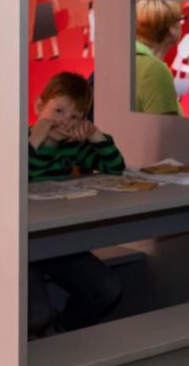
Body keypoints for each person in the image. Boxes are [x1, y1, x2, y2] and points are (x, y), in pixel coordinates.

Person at [27, 71, 126, 337]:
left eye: (74, 117)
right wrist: (36, 140)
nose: (64, 121)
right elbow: (15, 174)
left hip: (59, 242)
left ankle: (59, 332)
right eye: (58, 111)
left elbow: (115, 167)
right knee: (37, 315)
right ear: (38, 106)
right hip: (23, 248)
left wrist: (95, 135)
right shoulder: (21, 142)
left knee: (108, 288)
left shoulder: (74, 147)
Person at [133, 0, 184, 115]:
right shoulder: (155, 71)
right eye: (180, 20)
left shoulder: (130, 60)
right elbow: (167, 125)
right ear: (172, 30)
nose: (182, 24)